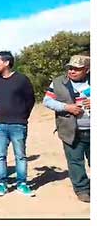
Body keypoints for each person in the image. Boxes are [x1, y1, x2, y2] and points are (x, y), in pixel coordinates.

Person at [43, 55, 90, 203]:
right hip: (70, 131)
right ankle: (82, 189)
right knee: (75, 162)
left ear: (87, 70)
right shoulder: (58, 82)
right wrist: (66, 107)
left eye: (77, 69)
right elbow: (47, 101)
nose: (72, 71)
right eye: (70, 68)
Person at [0, 51, 35, 197]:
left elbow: (30, 100)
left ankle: (22, 183)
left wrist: (22, 116)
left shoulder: (21, 79)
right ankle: (2, 184)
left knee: (20, 155)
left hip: (18, 124)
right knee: (0, 155)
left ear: (7, 62)